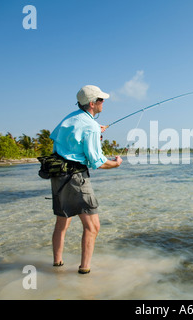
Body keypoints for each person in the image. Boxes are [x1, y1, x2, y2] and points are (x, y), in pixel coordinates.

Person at [49, 85, 122, 274]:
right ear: (92, 103)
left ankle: (57, 266)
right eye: (100, 100)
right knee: (93, 226)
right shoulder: (90, 126)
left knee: (62, 223)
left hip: (58, 175)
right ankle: (84, 272)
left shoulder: (71, 117)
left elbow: (63, 138)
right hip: (75, 177)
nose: (103, 102)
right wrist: (116, 163)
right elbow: (97, 162)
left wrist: (95, 130)